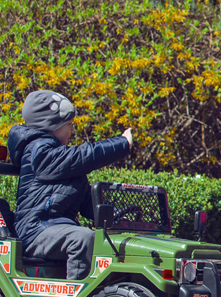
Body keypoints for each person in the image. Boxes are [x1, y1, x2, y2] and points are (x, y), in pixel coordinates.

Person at [8, 90, 132, 280]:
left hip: (56, 229)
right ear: (52, 126)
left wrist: (120, 218)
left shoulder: (64, 165)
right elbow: (83, 156)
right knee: (82, 239)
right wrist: (121, 144)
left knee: (106, 241)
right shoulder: (39, 151)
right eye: (69, 125)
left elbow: (88, 206)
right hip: (36, 230)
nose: (72, 131)